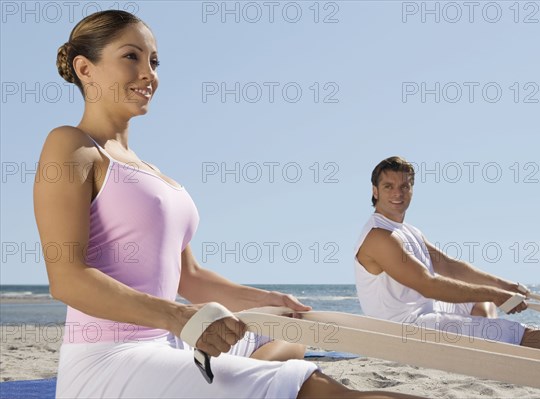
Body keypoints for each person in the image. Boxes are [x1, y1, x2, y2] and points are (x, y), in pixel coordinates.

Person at [34, 10, 420, 398]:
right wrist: (179, 317)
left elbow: (191, 276)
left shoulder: (151, 171)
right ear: (85, 68)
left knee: (282, 330)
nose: (149, 73)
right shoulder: (72, 145)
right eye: (131, 57)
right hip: (110, 359)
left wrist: (269, 300)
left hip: (168, 344)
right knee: (316, 388)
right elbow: (67, 278)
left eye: (154, 61)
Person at [354, 156, 540, 357]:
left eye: (404, 186)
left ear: (412, 190)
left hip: (424, 313)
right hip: (405, 329)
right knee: (520, 334)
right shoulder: (379, 237)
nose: (398, 193)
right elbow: (429, 284)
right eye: (388, 186)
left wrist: (504, 285)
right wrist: (497, 295)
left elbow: (451, 267)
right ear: (375, 191)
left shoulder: (408, 230)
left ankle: (487, 344)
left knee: (481, 303)